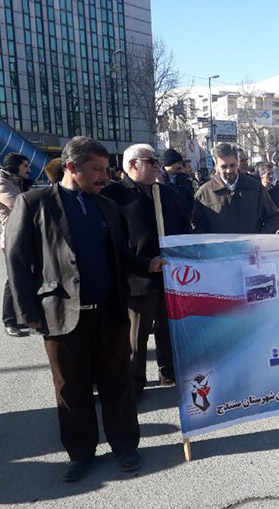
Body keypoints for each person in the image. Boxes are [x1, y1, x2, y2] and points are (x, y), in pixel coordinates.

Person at [5, 136, 165, 482]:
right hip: (61, 314)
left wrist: (147, 265)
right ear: (72, 167)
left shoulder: (106, 206)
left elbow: (120, 256)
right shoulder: (35, 203)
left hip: (110, 311)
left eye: (106, 169)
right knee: (71, 389)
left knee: (117, 384)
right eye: (97, 169)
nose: (105, 176)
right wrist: (26, 311)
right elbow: (16, 260)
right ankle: (81, 453)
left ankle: (125, 445)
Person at [101, 144, 190, 394]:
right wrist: (143, 265)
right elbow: (113, 244)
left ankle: (168, 373)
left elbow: (183, 222)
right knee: (136, 337)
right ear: (133, 164)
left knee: (168, 330)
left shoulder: (164, 192)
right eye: (151, 161)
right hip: (138, 279)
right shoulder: (113, 196)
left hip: (169, 275)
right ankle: (134, 382)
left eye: (157, 162)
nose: (156, 166)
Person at [192, 143, 279, 234]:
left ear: (237, 162)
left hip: (250, 243)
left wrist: (260, 237)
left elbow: (274, 217)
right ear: (216, 166)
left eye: (232, 165)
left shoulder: (255, 188)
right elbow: (198, 225)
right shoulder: (205, 193)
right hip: (219, 243)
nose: (229, 170)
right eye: (224, 167)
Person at [0, 153, 32, 337]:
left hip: (23, 234)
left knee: (24, 276)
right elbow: (17, 205)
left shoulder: (17, 181)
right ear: (14, 167)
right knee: (13, 278)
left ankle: (21, 317)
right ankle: (9, 321)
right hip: (11, 236)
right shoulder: (2, 183)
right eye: (25, 166)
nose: (29, 169)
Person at [159, 148, 194, 217]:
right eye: (179, 163)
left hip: (182, 220)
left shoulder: (184, 180)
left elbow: (190, 202)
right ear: (171, 163)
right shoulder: (157, 178)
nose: (181, 166)